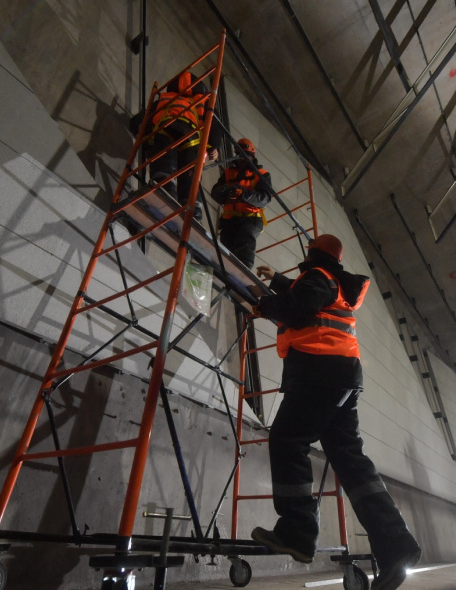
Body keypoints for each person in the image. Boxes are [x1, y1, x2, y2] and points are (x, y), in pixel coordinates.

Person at [248, 234, 421, 590]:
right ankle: (396, 545)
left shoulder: (317, 276)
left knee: (288, 439)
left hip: (318, 371)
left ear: (314, 254)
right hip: (343, 377)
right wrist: (278, 281)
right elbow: (305, 296)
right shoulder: (334, 282)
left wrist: (263, 304)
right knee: (349, 459)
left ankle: (297, 532)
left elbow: (298, 308)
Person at [141, 71, 219, 221]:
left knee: (164, 162)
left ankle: (165, 190)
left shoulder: (165, 97)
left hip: (165, 129)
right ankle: (193, 209)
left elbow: (147, 121)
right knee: (189, 172)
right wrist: (214, 146)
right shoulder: (203, 101)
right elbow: (213, 125)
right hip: (191, 136)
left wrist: (147, 145)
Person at [210, 138, 272, 268]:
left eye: (244, 155)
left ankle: (245, 267)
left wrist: (243, 194)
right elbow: (215, 193)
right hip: (229, 220)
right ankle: (223, 270)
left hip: (250, 218)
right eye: (238, 155)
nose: (241, 159)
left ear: (251, 156)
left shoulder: (262, 174)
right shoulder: (228, 173)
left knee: (245, 238)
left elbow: (264, 198)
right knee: (226, 247)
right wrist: (225, 192)